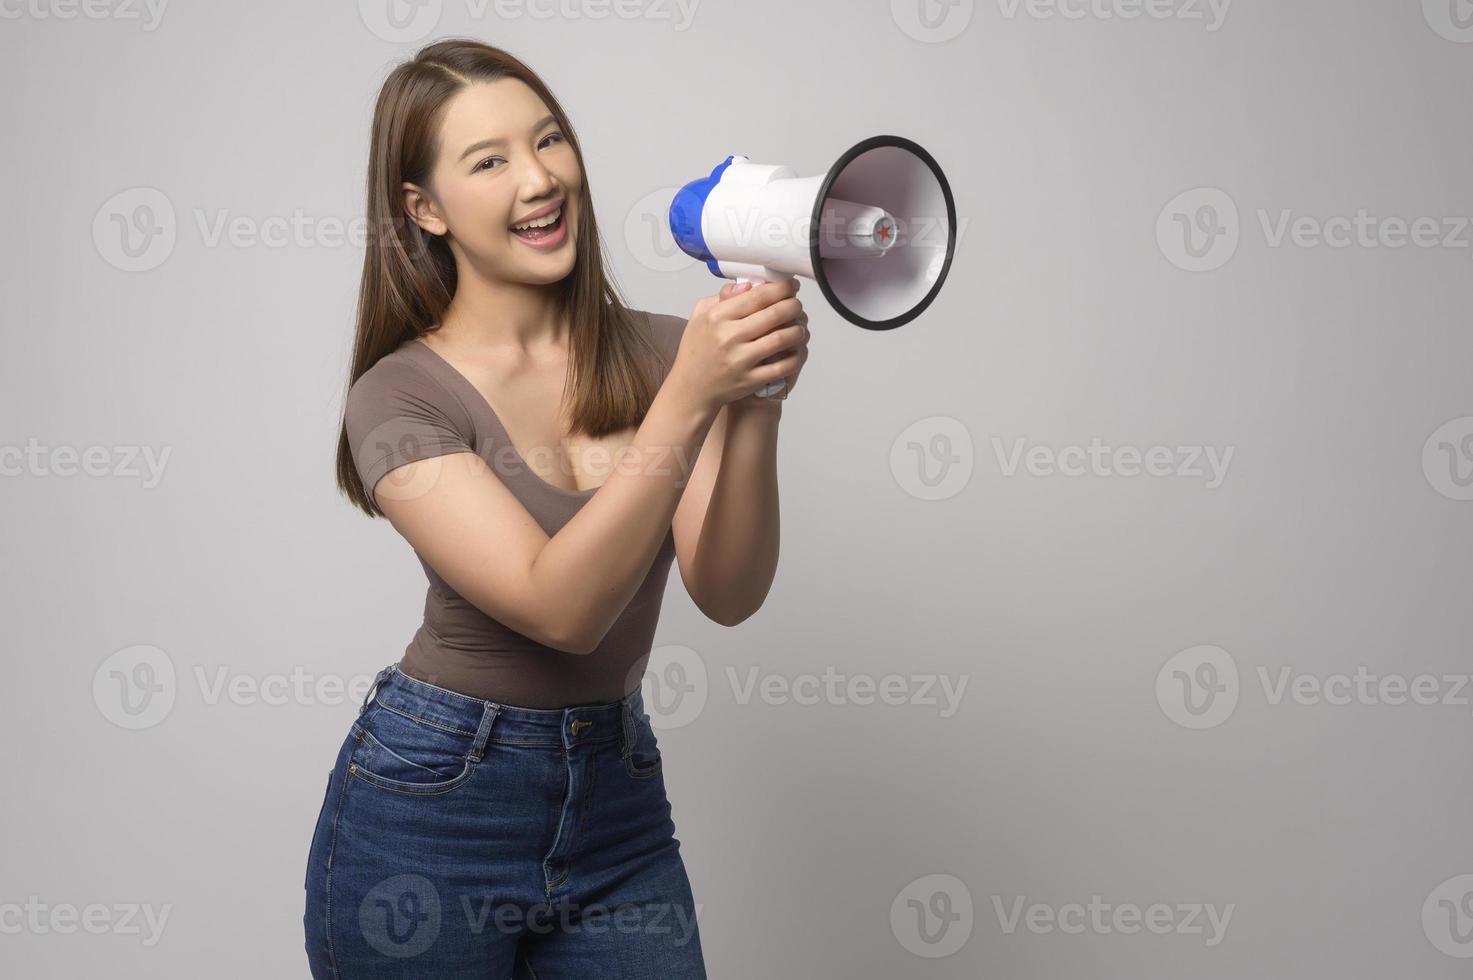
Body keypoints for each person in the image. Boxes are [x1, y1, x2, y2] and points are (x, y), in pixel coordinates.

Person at [303, 37, 809, 979]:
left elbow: (728, 588)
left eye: (548, 142)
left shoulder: (669, 353)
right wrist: (694, 396)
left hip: (615, 803)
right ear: (426, 210)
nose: (538, 180)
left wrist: (755, 401)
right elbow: (562, 610)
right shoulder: (396, 398)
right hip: (433, 806)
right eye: (488, 162)